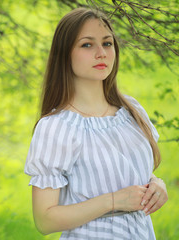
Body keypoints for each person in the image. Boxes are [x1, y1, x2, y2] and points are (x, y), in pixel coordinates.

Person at [24, 8, 168, 239]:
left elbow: (130, 174)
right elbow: (45, 220)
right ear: (65, 54)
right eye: (87, 45)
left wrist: (156, 184)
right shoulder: (57, 127)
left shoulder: (131, 110)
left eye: (107, 43)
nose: (101, 53)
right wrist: (112, 201)